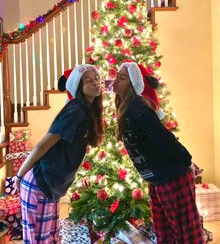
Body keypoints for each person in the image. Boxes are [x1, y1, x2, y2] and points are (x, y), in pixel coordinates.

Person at [113, 62, 205, 244]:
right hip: (156, 179)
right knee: (164, 233)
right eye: (117, 76)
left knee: (185, 234)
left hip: (172, 178)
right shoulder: (125, 107)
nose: (115, 80)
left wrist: (187, 161)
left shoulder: (138, 107)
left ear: (132, 85)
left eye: (122, 78)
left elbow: (165, 138)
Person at [14, 64, 103, 244]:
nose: (96, 83)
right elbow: (42, 146)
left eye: (96, 78)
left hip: (51, 186)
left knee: (53, 237)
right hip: (40, 183)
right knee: (39, 240)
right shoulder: (75, 111)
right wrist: (19, 174)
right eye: (88, 80)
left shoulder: (88, 110)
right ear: (79, 87)